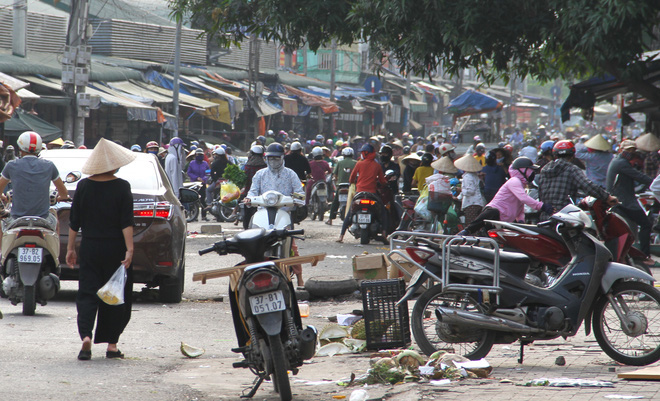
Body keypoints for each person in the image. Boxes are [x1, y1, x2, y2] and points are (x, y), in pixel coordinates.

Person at [65, 138, 136, 361]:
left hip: (90, 246)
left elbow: (74, 221)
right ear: (114, 164)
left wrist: (70, 248)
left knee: (87, 292)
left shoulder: (83, 186)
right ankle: (112, 345)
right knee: (114, 293)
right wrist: (130, 249)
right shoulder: (122, 186)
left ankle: (86, 336)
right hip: (115, 248)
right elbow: (126, 222)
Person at [246, 143, 305, 286]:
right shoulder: (260, 174)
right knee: (251, 243)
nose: (273, 161)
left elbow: (300, 192)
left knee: (292, 247)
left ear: (282, 157)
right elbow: (253, 191)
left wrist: (298, 199)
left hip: (283, 214)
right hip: (262, 213)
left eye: (276, 158)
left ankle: (299, 277)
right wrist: (249, 198)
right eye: (270, 158)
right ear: (266, 158)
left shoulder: (290, 174)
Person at [459, 157, 553, 235]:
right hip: (494, 212)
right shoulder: (514, 181)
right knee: (474, 227)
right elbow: (523, 198)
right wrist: (542, 206)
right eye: (530, 170)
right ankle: (464, 233)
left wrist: (520, 221)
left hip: (502, 219)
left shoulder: (520, 184)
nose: (532, 172)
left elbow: (519, 206)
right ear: (522, 170)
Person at [0, 131, 68, 231]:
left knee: (3, 225)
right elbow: (64, 193)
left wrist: (2, 196)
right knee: (55, 222)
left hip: (16, 219)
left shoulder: (11, 165)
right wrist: (61, 197)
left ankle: (2, 247)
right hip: (43, 219)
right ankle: (56, 247)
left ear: (19, 147)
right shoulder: (49, 165)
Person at [538, 140, 617, 218]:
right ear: (572, 155)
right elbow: (587, 186)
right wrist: (607, 197)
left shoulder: (544, 169)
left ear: (555, 155)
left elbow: (541, 194)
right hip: (564, 217)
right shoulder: (571, 168)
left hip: (545, 216)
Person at [606, 140, 654, 259]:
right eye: (628, 150)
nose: (630, 153)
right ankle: (644, 255)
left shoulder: (618, 160)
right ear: (621, 150)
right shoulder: (621, 163)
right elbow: (639, 177)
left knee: (630, 228)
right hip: (624, 201)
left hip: (621, 199)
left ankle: (632, 253)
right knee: (646, 224)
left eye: (632, 150)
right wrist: (655, 184)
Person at [336, 144, 387, 243]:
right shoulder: (377, 166)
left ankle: (341, 236)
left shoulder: (359, 164)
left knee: (350, 214)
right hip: (372, 194)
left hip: (359, 193)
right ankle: (384, 235)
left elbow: (351, 179)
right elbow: (382, 181)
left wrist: (354, 182)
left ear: (365, 153)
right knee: (383, 212)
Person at [326, 147, 357, 225]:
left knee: (335, 201)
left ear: (343, 155)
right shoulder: (356, 163)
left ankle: (330, 219)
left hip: (341, 185)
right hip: (352, 185)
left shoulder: (340, 163)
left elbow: (335, 175)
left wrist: (336, 181)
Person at [240, 145, 267, 229]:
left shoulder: (247, 166)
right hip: (263, 195)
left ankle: (246, 229)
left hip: (249, 194)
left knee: (247, 215)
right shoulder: (265, 167)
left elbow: (243, 180)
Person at [454, 154, 486, 225]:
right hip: (478, 203)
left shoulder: (468, 176)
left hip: (471, 204)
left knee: (471, 225)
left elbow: (470, 191)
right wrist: (458, 197)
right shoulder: (474, 175)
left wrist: (461, 190)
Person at [187, 149, 210, 221]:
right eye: (198, 155)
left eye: (201, 155)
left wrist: (204, 178)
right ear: (195, 155)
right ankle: (194, 216)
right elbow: (189, 173)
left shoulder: (205, 163)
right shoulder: (192, 163)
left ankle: (204, 216)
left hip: (202, 184)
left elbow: (208, 172)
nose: (200, 156)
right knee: (193, 200)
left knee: (203, 200)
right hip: (194, 184)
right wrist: (196, 178)